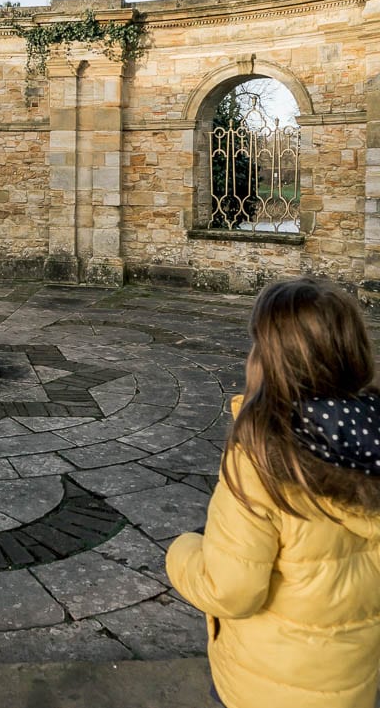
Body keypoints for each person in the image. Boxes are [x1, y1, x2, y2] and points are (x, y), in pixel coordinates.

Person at [166, 276, 380, 708]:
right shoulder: (373, 434)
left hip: (264, 684)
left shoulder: (260, 455)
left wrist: (182, 553)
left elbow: (232, 590)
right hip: (353, 680)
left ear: (268, 358)